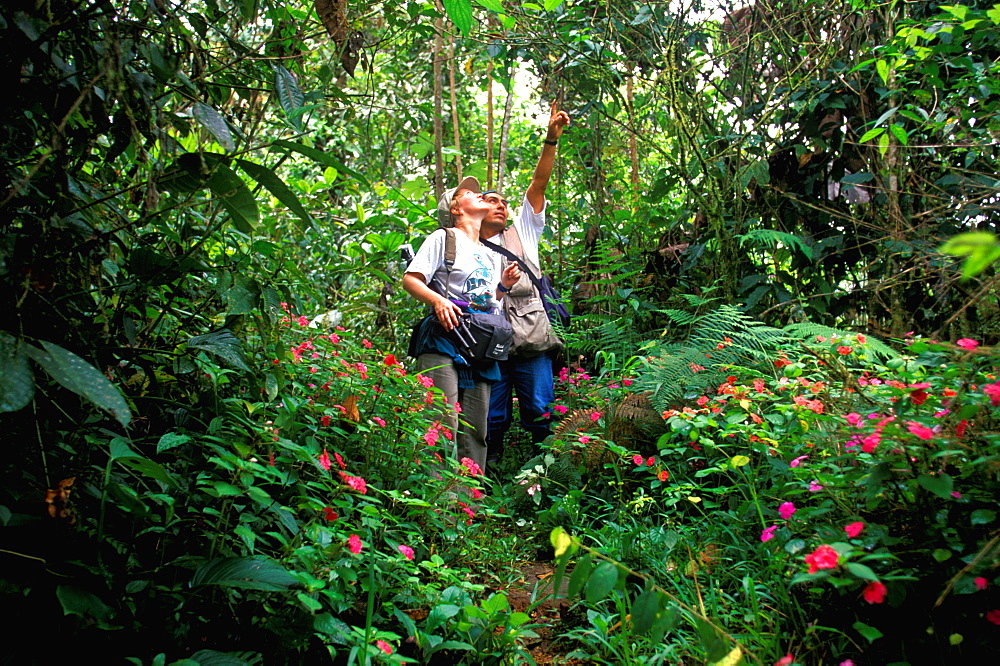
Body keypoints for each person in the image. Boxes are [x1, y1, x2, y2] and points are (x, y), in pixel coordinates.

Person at [403, 178, 521, 472]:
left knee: (475, 430)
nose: (480, 195)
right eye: (469, 194)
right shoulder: (443, 238)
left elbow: (485, 300)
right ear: (456, 209)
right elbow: (411, 279)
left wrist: (502, 288)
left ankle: (470, 507)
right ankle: (437, 506)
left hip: (478, 345)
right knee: (442, 422)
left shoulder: (489, 252)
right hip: (444, 339)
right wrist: (438, 301)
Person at [479, 102, 571, 469]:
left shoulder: (524, 233)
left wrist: (551, 139)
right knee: (492, 414)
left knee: (539, 409)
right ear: (473, 209)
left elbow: (539, 183)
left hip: (531, 337)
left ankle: (546, 470)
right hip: (490, 344)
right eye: (490, 202)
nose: (500, 206)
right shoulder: (463, 244)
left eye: (503, 202)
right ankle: (492, 474)